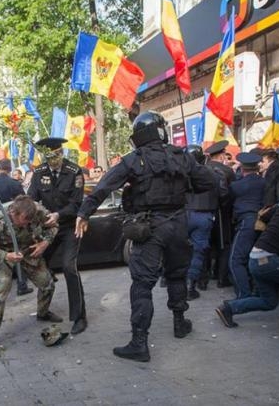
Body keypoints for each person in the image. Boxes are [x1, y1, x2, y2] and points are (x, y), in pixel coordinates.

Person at [75, 111, 214, 362]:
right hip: (178, 224)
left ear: (138, 135)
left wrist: (84, 213)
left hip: (150, 228)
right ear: (161, 131)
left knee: (142, 284)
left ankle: (139, 343)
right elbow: (209, 182)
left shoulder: (133, 160)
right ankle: (180, 322)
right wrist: (184, 185)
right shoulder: (181, 156)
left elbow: (104, 186)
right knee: (176, 275)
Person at [0, 195, 62, 350]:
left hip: (28, 250)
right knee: (2, 286)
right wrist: (6, 256)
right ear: (13, 213)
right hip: (2, 253)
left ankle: (43, 313)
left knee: (47, 283)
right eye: (24, 220)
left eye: (30, 220)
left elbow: (54, 226)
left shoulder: (37, 210)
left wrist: (45, 243)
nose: (27, 223)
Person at [216, 195, 279, 334]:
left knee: (269, 301)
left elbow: (264, 217)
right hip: (272, 260)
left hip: (256, 257)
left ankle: (228, 308)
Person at [28, 137, 88, 335]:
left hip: (69, 226)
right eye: (50, 157)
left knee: (69, 267)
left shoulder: (74, 171)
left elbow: (76, 203)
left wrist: (58, 215)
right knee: (39, 264)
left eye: (57, 156)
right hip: (47, 228)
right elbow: (32, 199)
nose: (53, 161)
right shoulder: (39, 172)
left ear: (62, 153)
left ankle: (79, 317)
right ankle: (43, 311)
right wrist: (38, 215)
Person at [184, 145, 227, 300]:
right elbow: (223, 194)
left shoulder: (180, 174)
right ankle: (190, 286)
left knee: (181, 249)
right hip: (204, 216)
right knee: (198, 251)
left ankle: (176, 282)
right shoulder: (215, 173)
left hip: (183, 215)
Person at [0, 159, 33, 296]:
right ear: (10, 168)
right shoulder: (14, 184)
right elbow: (23, 202)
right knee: (18, 251)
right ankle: (21, 285)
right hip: (13, 222)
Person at [228, 152, 265, 299]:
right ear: (257, 167)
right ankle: (259, 290)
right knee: (257, 258)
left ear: (242, 168)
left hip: (245, 222)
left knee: (235, 260)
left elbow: (227, 201)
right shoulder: (264, 182)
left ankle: (244, 294)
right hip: (262, 222)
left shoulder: (237, 186)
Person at [205, 140, 235, 288]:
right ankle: (222, 278)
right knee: (224, 245)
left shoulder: (202, 169)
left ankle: (204, 279)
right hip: (222, 212)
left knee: (206, 244)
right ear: (222, 154)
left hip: (205, 211)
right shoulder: (227, 171)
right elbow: (231, 192)